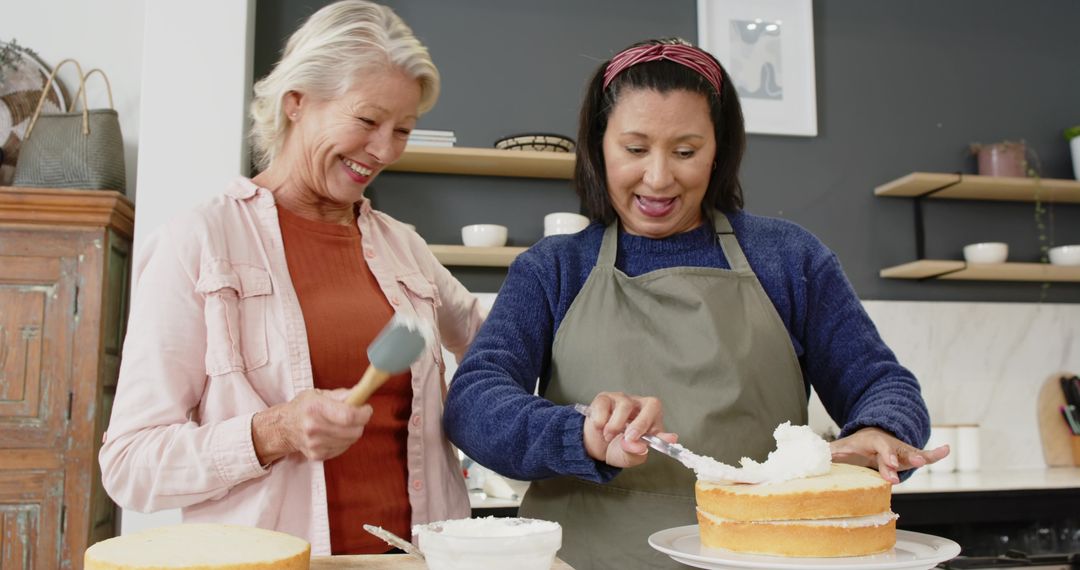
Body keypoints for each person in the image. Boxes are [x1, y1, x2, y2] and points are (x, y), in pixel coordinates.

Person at [443, 38, 949, 569]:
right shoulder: (554, 268)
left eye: (685, 152)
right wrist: (581, 434)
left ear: (718, 151)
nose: (659, 177)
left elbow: (882, 383)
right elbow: (474, 402)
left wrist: (883, 429)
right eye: (635, 149)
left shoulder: (788, 258)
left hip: (759, 556)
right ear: (598, 146)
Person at [99, 1, 485, 556]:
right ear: (296, 102)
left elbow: (494, 341)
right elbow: (129, 465)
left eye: (402, 130)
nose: (385, 150)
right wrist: (271, 432)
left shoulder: (405, 249)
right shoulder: (201, 241)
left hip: (417, 559)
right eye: (367, 121)